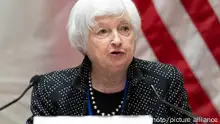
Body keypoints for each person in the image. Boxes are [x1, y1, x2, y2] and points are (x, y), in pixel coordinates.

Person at [26, 0, 195, 123]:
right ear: (83, 41)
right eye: (103, 31)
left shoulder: (164, 81)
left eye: (124, 29)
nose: (117, 40)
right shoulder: (51, 89)